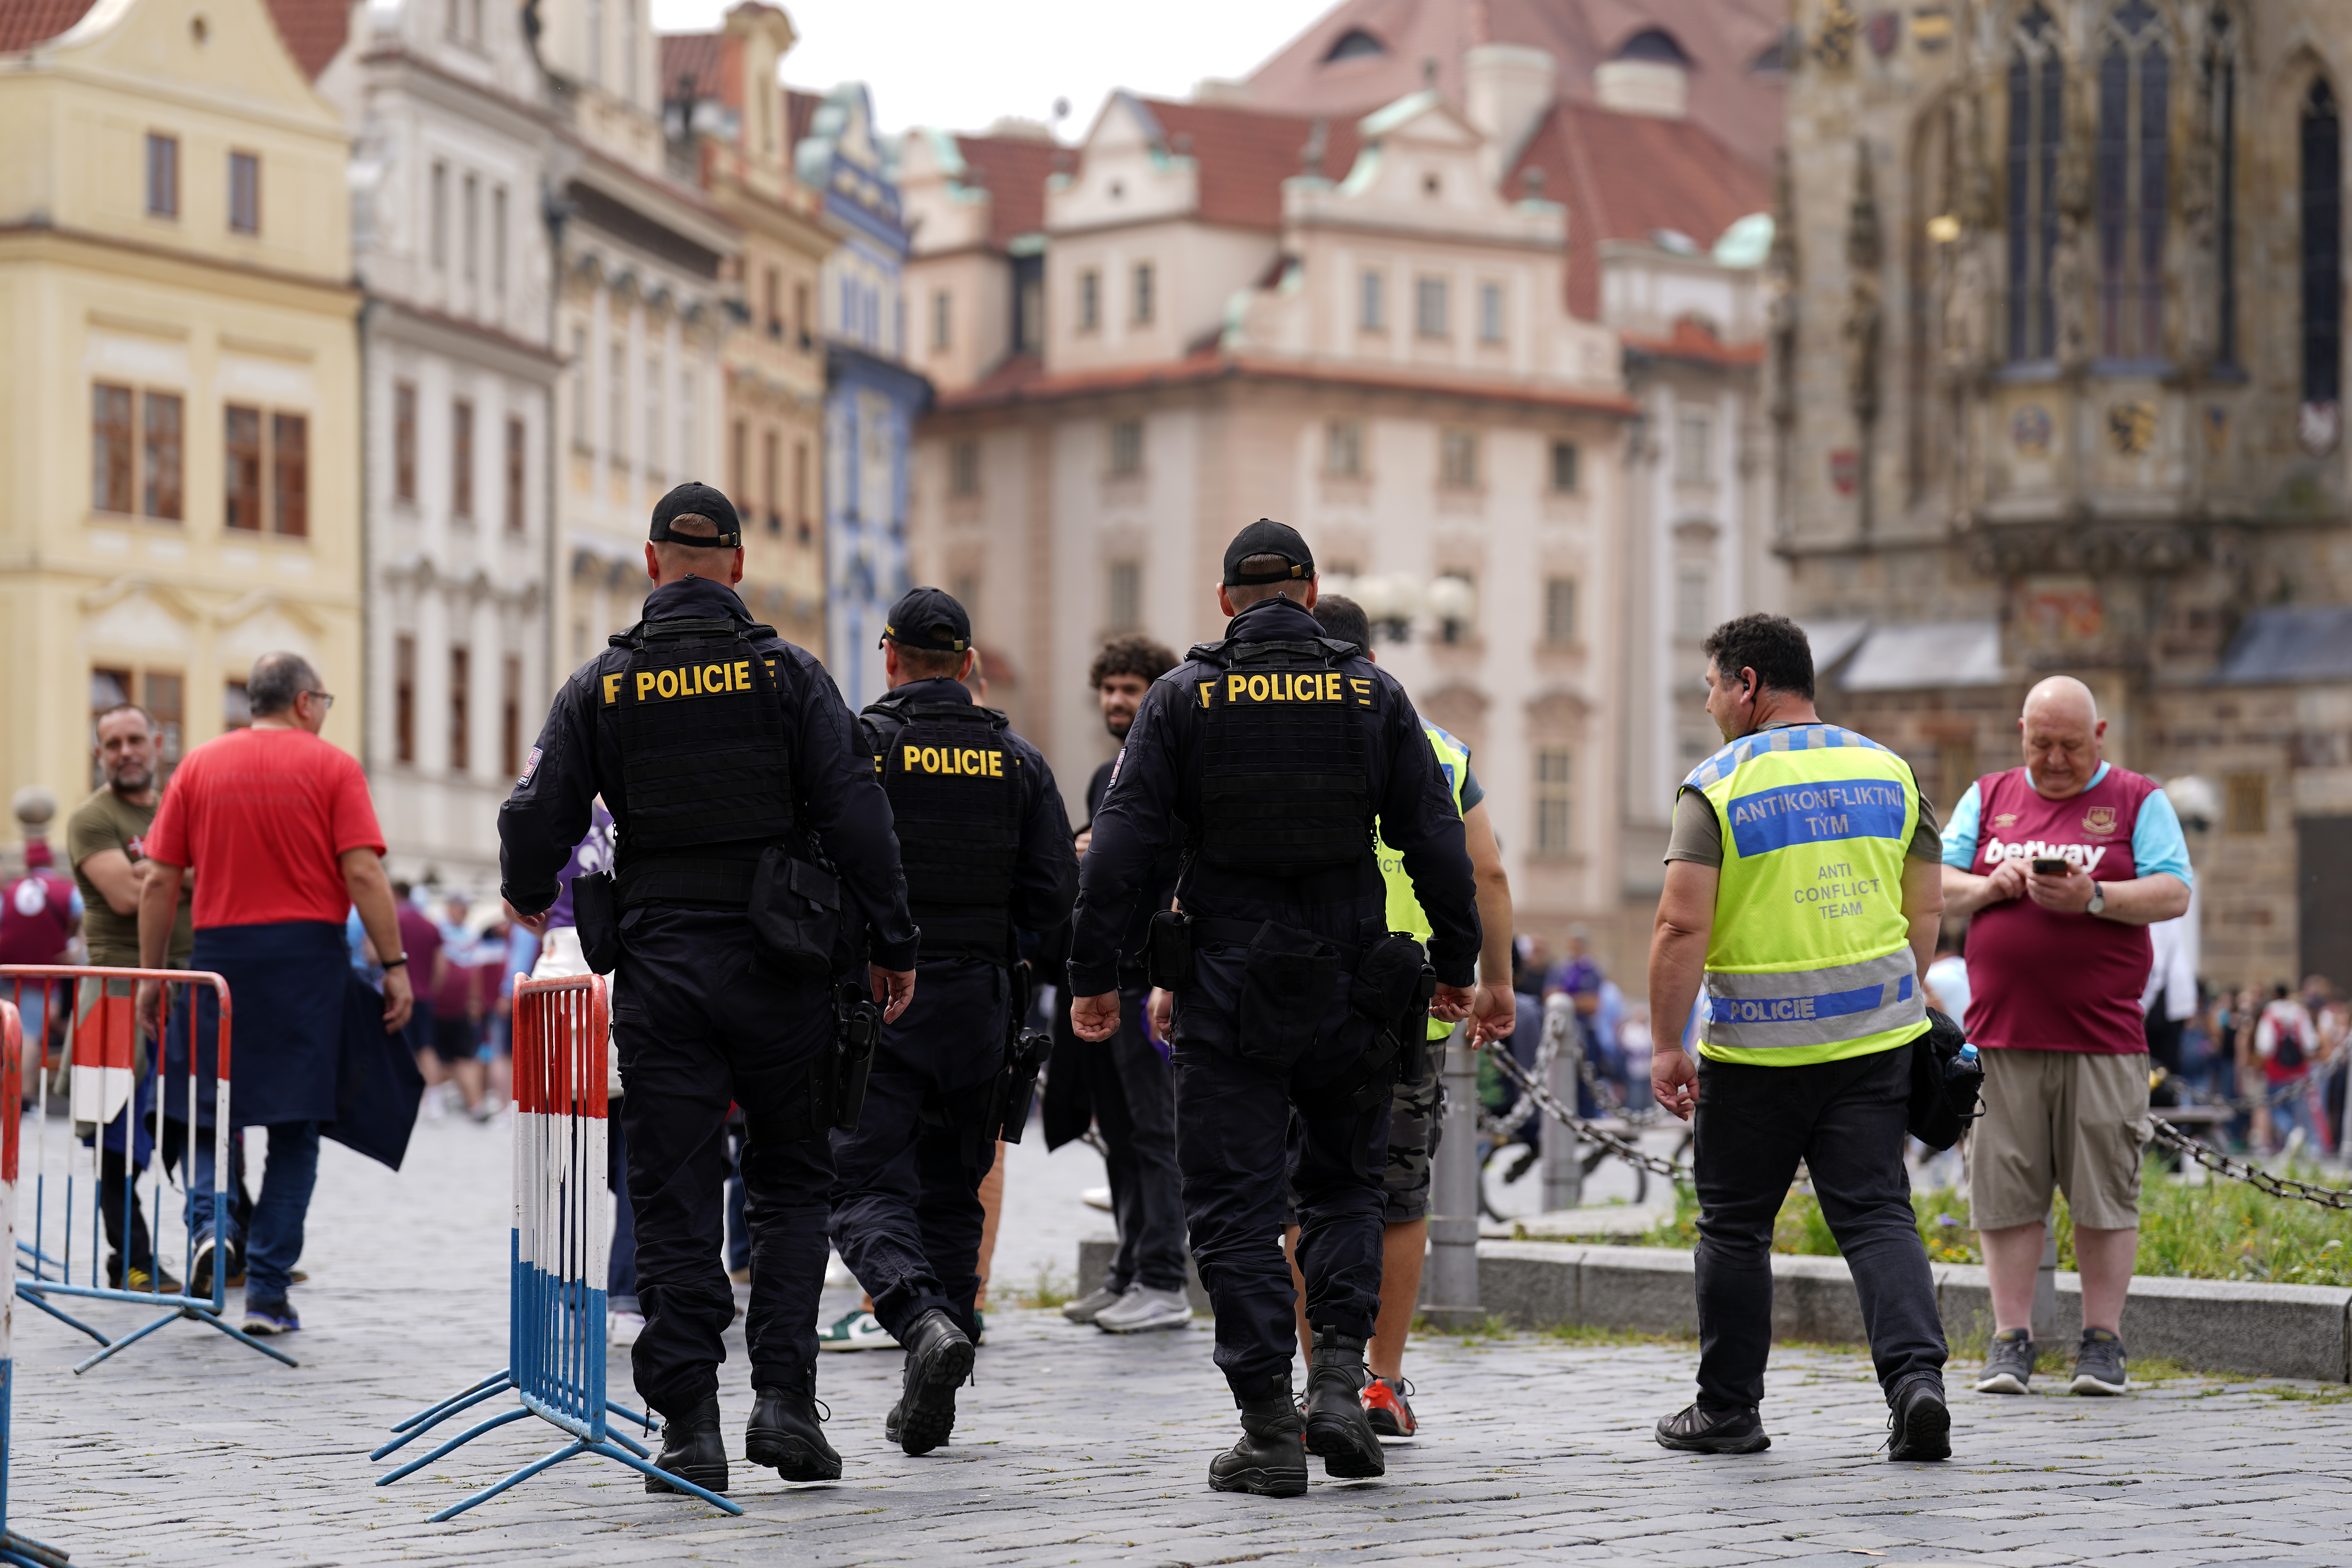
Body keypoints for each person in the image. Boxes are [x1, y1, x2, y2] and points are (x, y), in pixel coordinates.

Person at [499, 482, 917, 1498]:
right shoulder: (789, 677)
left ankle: (688, 1425)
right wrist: (895, 939)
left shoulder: (607, 685)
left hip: (661, 972)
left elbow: (535, 821)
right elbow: (859, 814)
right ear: (736, 566)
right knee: (788, 1188)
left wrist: (524, 896)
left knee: (674, 1192)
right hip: (782, 963)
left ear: (651, 564)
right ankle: (784, 1405)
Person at [1068, 518, 1478, 1498]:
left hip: (1227, 984)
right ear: (1310, 590)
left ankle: (1266, 1426)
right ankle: (1339, 1382)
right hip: (1352, 982)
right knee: (1345, 1186)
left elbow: (1123, 851)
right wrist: (1456, 962)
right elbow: (1436, 839)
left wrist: (1091, 972)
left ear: (1224, 602)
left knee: (1235, 1209)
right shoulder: (1374, 693)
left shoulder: (1183, 697)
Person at [1647, 614, 1951, 1462]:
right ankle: (1917, 1385)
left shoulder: (1717, 784)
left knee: (1737, 1227)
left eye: (1712, 685)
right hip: (1874, 1042)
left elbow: (1679, 925)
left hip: (1756, 1053)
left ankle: (1728, 1410)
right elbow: (1924, 908)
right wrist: (1898, 997)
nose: (1709, 703)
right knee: (1879, 1214)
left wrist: (1667, 1042)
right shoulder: (1888, 770)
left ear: (1748, 682)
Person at [829, 587, 1077, 1454]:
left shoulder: (861, 747)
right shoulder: (1019, 761)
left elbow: (823, 869)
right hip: (981, 1001)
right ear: (969, 664)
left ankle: (918, 1318)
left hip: (877, 997)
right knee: (955, 1187)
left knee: (858, 1183)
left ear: (890, 654)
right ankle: (933, 1369)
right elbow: (1054, 900)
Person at [1272, 593, 1517, 1440]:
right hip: (1414, 1002)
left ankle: (1319, 1384)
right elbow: (1486, 873)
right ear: (1373, 658)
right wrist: (1493, 979)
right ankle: (1380, 1380)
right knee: (1398, 1194)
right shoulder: (1439, 746)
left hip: (1299, 997)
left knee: (1309, 1191)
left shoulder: (1275, 731)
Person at [136, 652, 414, 1336]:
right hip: (306, 967)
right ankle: (265, 1292)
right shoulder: (332, 767)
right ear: (301, 703)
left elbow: (158, 882)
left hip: (220, 961)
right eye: (323, 699)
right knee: (295, 1129)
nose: (324, 711)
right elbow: (365, 875)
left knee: (208, 1114)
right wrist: (395, 963)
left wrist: (151, 976)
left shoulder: (197, 766)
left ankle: (210, 1227)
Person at [1940, 675, 2191, 1398]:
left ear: (2101, 736)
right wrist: (1991, 885)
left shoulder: (2138, 800)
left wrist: (2097, 898)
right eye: (2041, 743)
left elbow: (2174, 890)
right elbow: (1936, 883)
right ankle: (2010, 1340)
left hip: (2104, 1036)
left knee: (2104, 1194)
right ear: (2021, 731)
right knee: (2005, 1193)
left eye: (2071, 746)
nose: (2054, 759)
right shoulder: (1987, 798)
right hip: (2004, 1035)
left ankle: (2102, 1343)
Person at [1058, 633, 1192, 1336]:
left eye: (1130, 689)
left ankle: (1165, 1279)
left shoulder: (1174, 767)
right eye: (1108, 689)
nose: (1115, 701)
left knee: (1155, 1132)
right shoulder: (1103, 774)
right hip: (1109, 977)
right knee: (1118, 1130)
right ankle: (1129, 1268)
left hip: (1150, 979)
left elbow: (1172, 872)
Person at [66, 703, 195, 1292]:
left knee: (205, 1120)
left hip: (189, 984)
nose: (125, 752)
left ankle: (231, 1249)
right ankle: (133, 1261)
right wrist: (185, 870)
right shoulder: (92, 818)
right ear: (100, 754)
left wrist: (162, 872)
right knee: (116, 1138)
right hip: (116, 993)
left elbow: (179, 877)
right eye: (112, 743)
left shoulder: (182, 804)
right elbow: (125, 896)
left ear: (158, 741)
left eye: (134, 739)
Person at [2253, 982, 2319, 1153]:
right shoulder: (2299, 1012)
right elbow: (2310, 1044)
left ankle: (2291, 1132)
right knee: (2296, 1107)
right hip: (2297, 1071)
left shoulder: (2270, 1014)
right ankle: (2296, 1135)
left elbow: (2265, 1046)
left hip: (2276, 1070)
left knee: (2276, 1107)